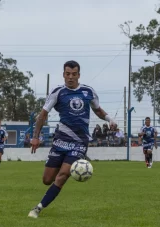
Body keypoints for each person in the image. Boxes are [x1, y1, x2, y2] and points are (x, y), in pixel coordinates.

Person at [27, 60, 115, 218]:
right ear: (63, 75)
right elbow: (42, 116)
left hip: (79, 142)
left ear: (79, 75)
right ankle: (63, 163)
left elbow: (98, 110)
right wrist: (36, 137)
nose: (70, 77)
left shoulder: (88, 92)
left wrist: (110, 119)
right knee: (47, 180)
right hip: (60, 141)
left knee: (62, 176)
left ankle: (38, 208)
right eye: (67, 74)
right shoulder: (58, 92)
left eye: (74, 74)